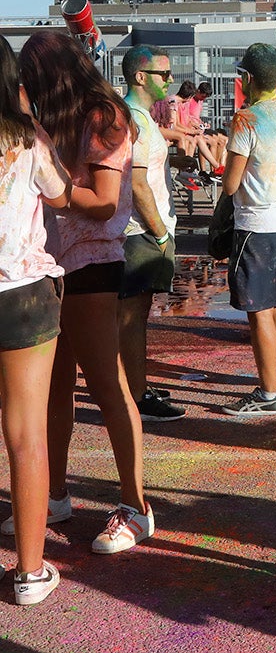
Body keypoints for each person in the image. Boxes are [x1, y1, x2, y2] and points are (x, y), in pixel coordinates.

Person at [17, 31, 154, 553]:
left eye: (32, 78)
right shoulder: (60, 117)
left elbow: (102, 201)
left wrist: (52, 191)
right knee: (56, 389)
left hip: (94, 260)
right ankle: (53, 494)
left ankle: (136, 507)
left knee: (108, 386)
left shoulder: (103, 115)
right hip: (52, 265)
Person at [0, 37, 71, 604]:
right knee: (27, 437)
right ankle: (29, 571)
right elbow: (62, 193)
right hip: (23, 292)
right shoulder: (28, 140)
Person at [219, 43, 276, 417]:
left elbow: (230, 184)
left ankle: (268, 393)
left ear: (249, 78)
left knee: (260, 312)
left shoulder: (246, 119)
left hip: (259, 225)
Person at [117, 45, 184, 422]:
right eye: (164, 74)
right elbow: (138, 184)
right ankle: (137, 396)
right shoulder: (135, 121)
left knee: (131, 317)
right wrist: (160, 234)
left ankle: (133, 387)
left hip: (142, 230)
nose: (169, 80)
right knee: (132, 317)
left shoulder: (138, 116)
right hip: (141, 232)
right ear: (140, 77)